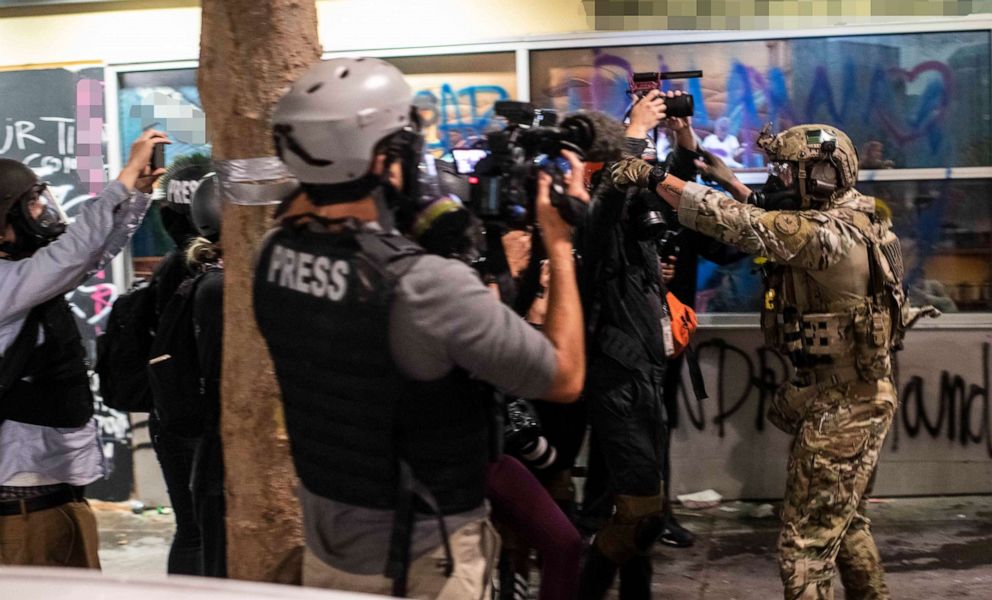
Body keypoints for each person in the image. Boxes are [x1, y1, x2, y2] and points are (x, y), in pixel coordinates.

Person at [253, 57, 586, 598]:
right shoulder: (425, 286)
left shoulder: (272, 254)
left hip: (328, 552)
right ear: (385, 159)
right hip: (423, 561)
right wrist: (560, 244)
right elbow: (565, 376)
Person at [612, 121, 910, 600]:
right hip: (854, 394)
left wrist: (652, 178)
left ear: (822, 175)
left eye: (791, 173)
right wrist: (731, 181)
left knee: (805, 551)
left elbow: (745, 224)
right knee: (846, 523)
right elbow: (772, 215)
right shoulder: (860, 214)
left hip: (843, 407)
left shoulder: (824, 234)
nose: (782, 183)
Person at [0, 129, 166, 568]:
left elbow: (86, 257)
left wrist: (136, 195)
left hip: (50, 502)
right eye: (31, 205)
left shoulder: (20, 278)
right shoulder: (7, 284)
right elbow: (72, 255)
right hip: (22, 515)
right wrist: (125, 178)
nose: (42, 212)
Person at [577, 89, 691, 600]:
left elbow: (671, 189)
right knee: (639, 515)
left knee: (644, 512)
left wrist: (680, 141)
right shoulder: (595, 222)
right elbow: (608, 205)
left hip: (646, 376)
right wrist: (637, 130)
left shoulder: (635, 219)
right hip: (617, 377)